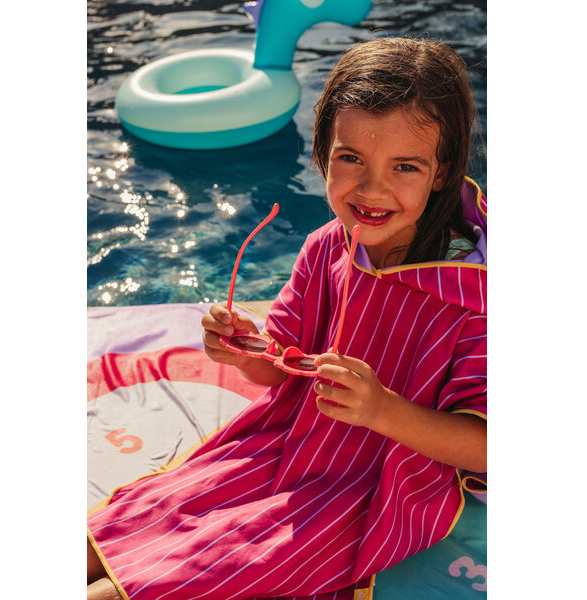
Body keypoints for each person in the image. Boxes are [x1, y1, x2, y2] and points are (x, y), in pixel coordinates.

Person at [88, 36, 487, 600]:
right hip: (287, 444)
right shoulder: (328, 245)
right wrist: (245, 350)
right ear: (321, 153)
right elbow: (280, 368)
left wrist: (382, 411)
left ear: (441, 171)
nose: (372, 189)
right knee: (119, 529)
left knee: (154, 583)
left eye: (405, 166)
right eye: (351, 158)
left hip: (374, 488)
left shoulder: (477, 293)